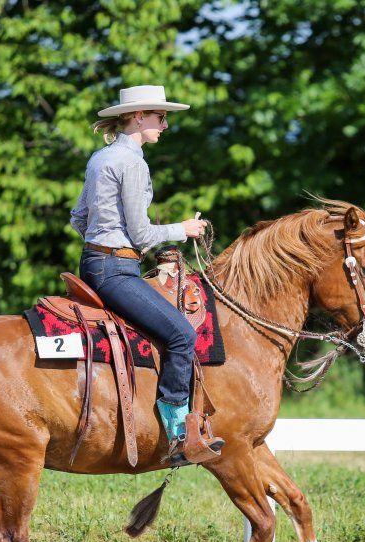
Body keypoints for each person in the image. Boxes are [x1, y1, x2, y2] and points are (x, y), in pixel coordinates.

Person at [69, 85, 222, 459]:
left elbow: (78, 219)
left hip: (93, 264)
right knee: (183, 335)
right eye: (160, 117)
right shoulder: (133, 162)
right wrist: (182, 231)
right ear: (139, 117)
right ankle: (177, 433)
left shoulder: (100, 157)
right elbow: (140, 234)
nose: (165, 125)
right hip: (116, 270)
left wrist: (106, 242)